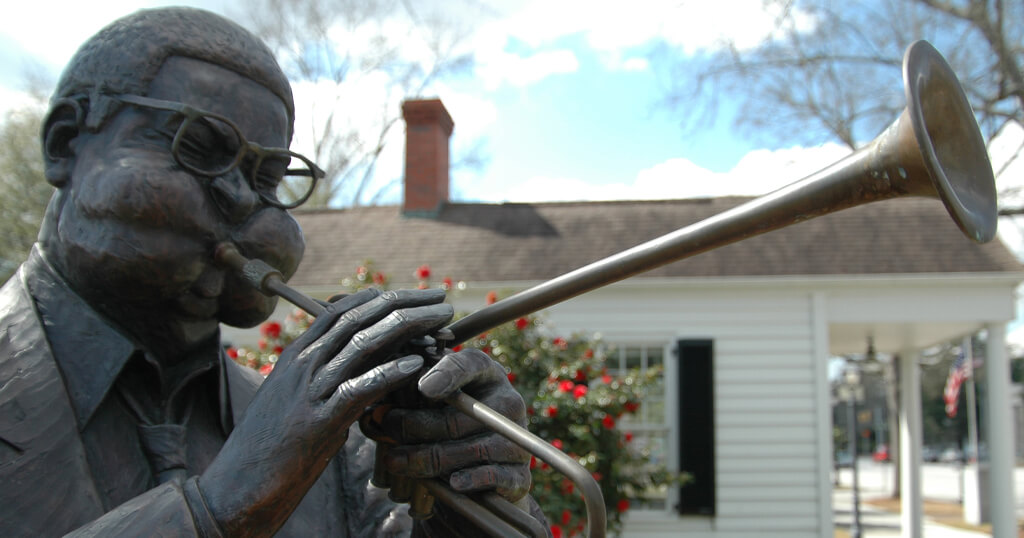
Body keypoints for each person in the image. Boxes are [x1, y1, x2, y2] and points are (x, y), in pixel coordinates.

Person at [0, 7, 543, 537]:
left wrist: (469, 509)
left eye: (267, 178)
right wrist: (222, 508)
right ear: (66, 140)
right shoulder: (293, 441)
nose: (240, 200)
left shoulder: (333, 444)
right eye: (198, 147)